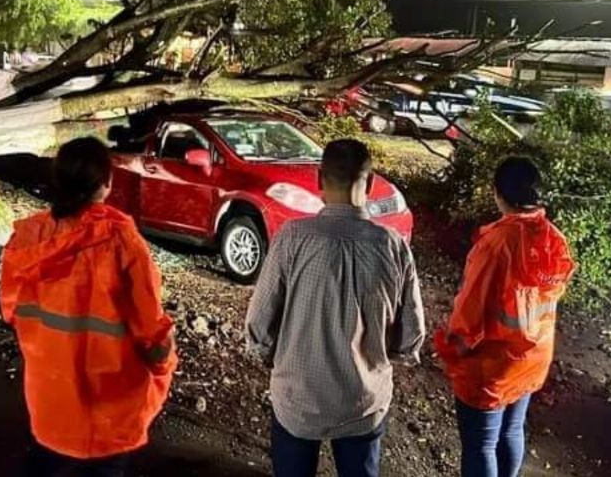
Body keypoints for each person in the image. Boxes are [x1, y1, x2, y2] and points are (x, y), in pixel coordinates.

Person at [246, 139, 426, 477]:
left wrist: (268, 354)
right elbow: (410, 337)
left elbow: (260, 323)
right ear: (370, 184)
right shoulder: (393, 247)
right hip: (363, 402)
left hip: (299, 399)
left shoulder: (293, 237)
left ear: (319, 180)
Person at [0, 137, 177, 477]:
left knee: (44, 462)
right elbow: (150, 328)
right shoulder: (122, 240)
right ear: (106, 183)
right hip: (110, 408)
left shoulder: (29, 239)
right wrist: (163, 366)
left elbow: (12, 310)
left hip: (51, 399)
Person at [434, 156, 575, 477]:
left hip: (492, 365)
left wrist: (451, 347)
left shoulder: (497, 244)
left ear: (499, 194)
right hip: (532, 356)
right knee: (512, 431)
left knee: (481, 444)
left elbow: (470, 312)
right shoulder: (553, 239)